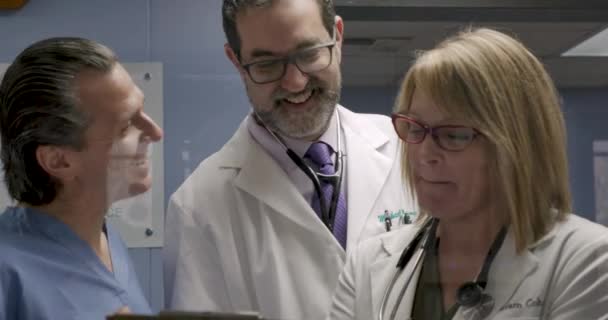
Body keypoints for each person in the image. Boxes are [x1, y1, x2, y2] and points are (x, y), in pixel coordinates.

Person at [328, 28, 608, 320]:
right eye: (415, 128)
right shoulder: (368, 264)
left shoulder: (588, 260)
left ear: (516, 145)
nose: (425, 154)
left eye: (454, 135)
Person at [162, 0, 415, 319]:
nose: (295, 82)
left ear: (337, 38)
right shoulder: (197, 209)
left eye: (309, 53)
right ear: (237, 63)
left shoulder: (408, 151)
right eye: (267, 64)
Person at [0, 37, 163, 319]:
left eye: (143, 110)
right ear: (58, 160)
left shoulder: (108, 244)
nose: (155, 132)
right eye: (126, 125)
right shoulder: (8, 270)